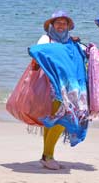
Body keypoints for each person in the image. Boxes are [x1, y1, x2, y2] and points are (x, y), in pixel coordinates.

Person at [33, 10, 79, 170]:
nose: (61, 26)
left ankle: (47, 156)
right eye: (58, 23)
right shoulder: (46, 39)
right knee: (61, 119)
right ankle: (47, 156)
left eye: (64, 23)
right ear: (51, 25)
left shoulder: (69, 41)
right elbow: (37, 54)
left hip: (66, 86)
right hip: (50, 86)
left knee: (53, 120)